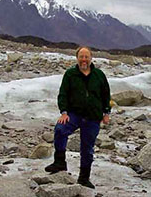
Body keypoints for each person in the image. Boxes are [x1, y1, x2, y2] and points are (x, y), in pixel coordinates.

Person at [44, 46, 111, 189]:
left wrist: (106, 112)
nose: (84, 60)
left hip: (93, 116)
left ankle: (84, 178)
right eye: (81, 57)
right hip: (74, 114)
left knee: (87, 149)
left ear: (91, 58)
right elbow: (63, 94)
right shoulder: (70, 74)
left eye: (86, 57)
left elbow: (106, 94)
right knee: (60, 129)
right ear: (77, 58)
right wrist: (64, 112)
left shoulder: (99, 75)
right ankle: (60, 162)